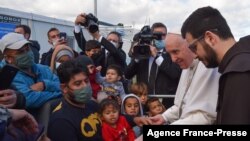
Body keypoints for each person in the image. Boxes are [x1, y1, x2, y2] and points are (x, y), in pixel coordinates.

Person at [48, 59, 152, 141]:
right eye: (78, 83)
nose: (85, 86)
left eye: (86, 81)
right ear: (64, 88)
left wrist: (136, 120)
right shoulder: (61, 122)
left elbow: (117, 118)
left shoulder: (91, 104)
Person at [181, 6, 250, 124]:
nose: (195, 55)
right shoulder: (240, 63)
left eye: (194, 47)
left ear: (210, 38)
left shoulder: (238, 72)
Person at [150, 33, 219, 124]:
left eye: (175, 52)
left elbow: (206, 116)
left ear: (190, 46)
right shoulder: (186, 65)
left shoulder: (208, 67)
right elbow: (180, 105)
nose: (173, 59)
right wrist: (164, 117)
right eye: (169, 53)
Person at [125, 23, 182, 108]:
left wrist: (157, 56)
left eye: (163, 35)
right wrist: (137, 57)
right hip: (145, 102)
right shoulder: (142, 53)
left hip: (166, 104)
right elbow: (127, 74)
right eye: (157, 35)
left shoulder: (172, 53)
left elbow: (175, 73)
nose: (161, 37)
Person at [0, 33, 61, 109]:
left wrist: (45, 85)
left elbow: (63, 86)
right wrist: (61, 93)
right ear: (8, 58)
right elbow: (29, 99)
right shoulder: (6, 76)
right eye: (20, 52)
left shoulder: (44, 69)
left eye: (27, 49)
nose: (27, 53)